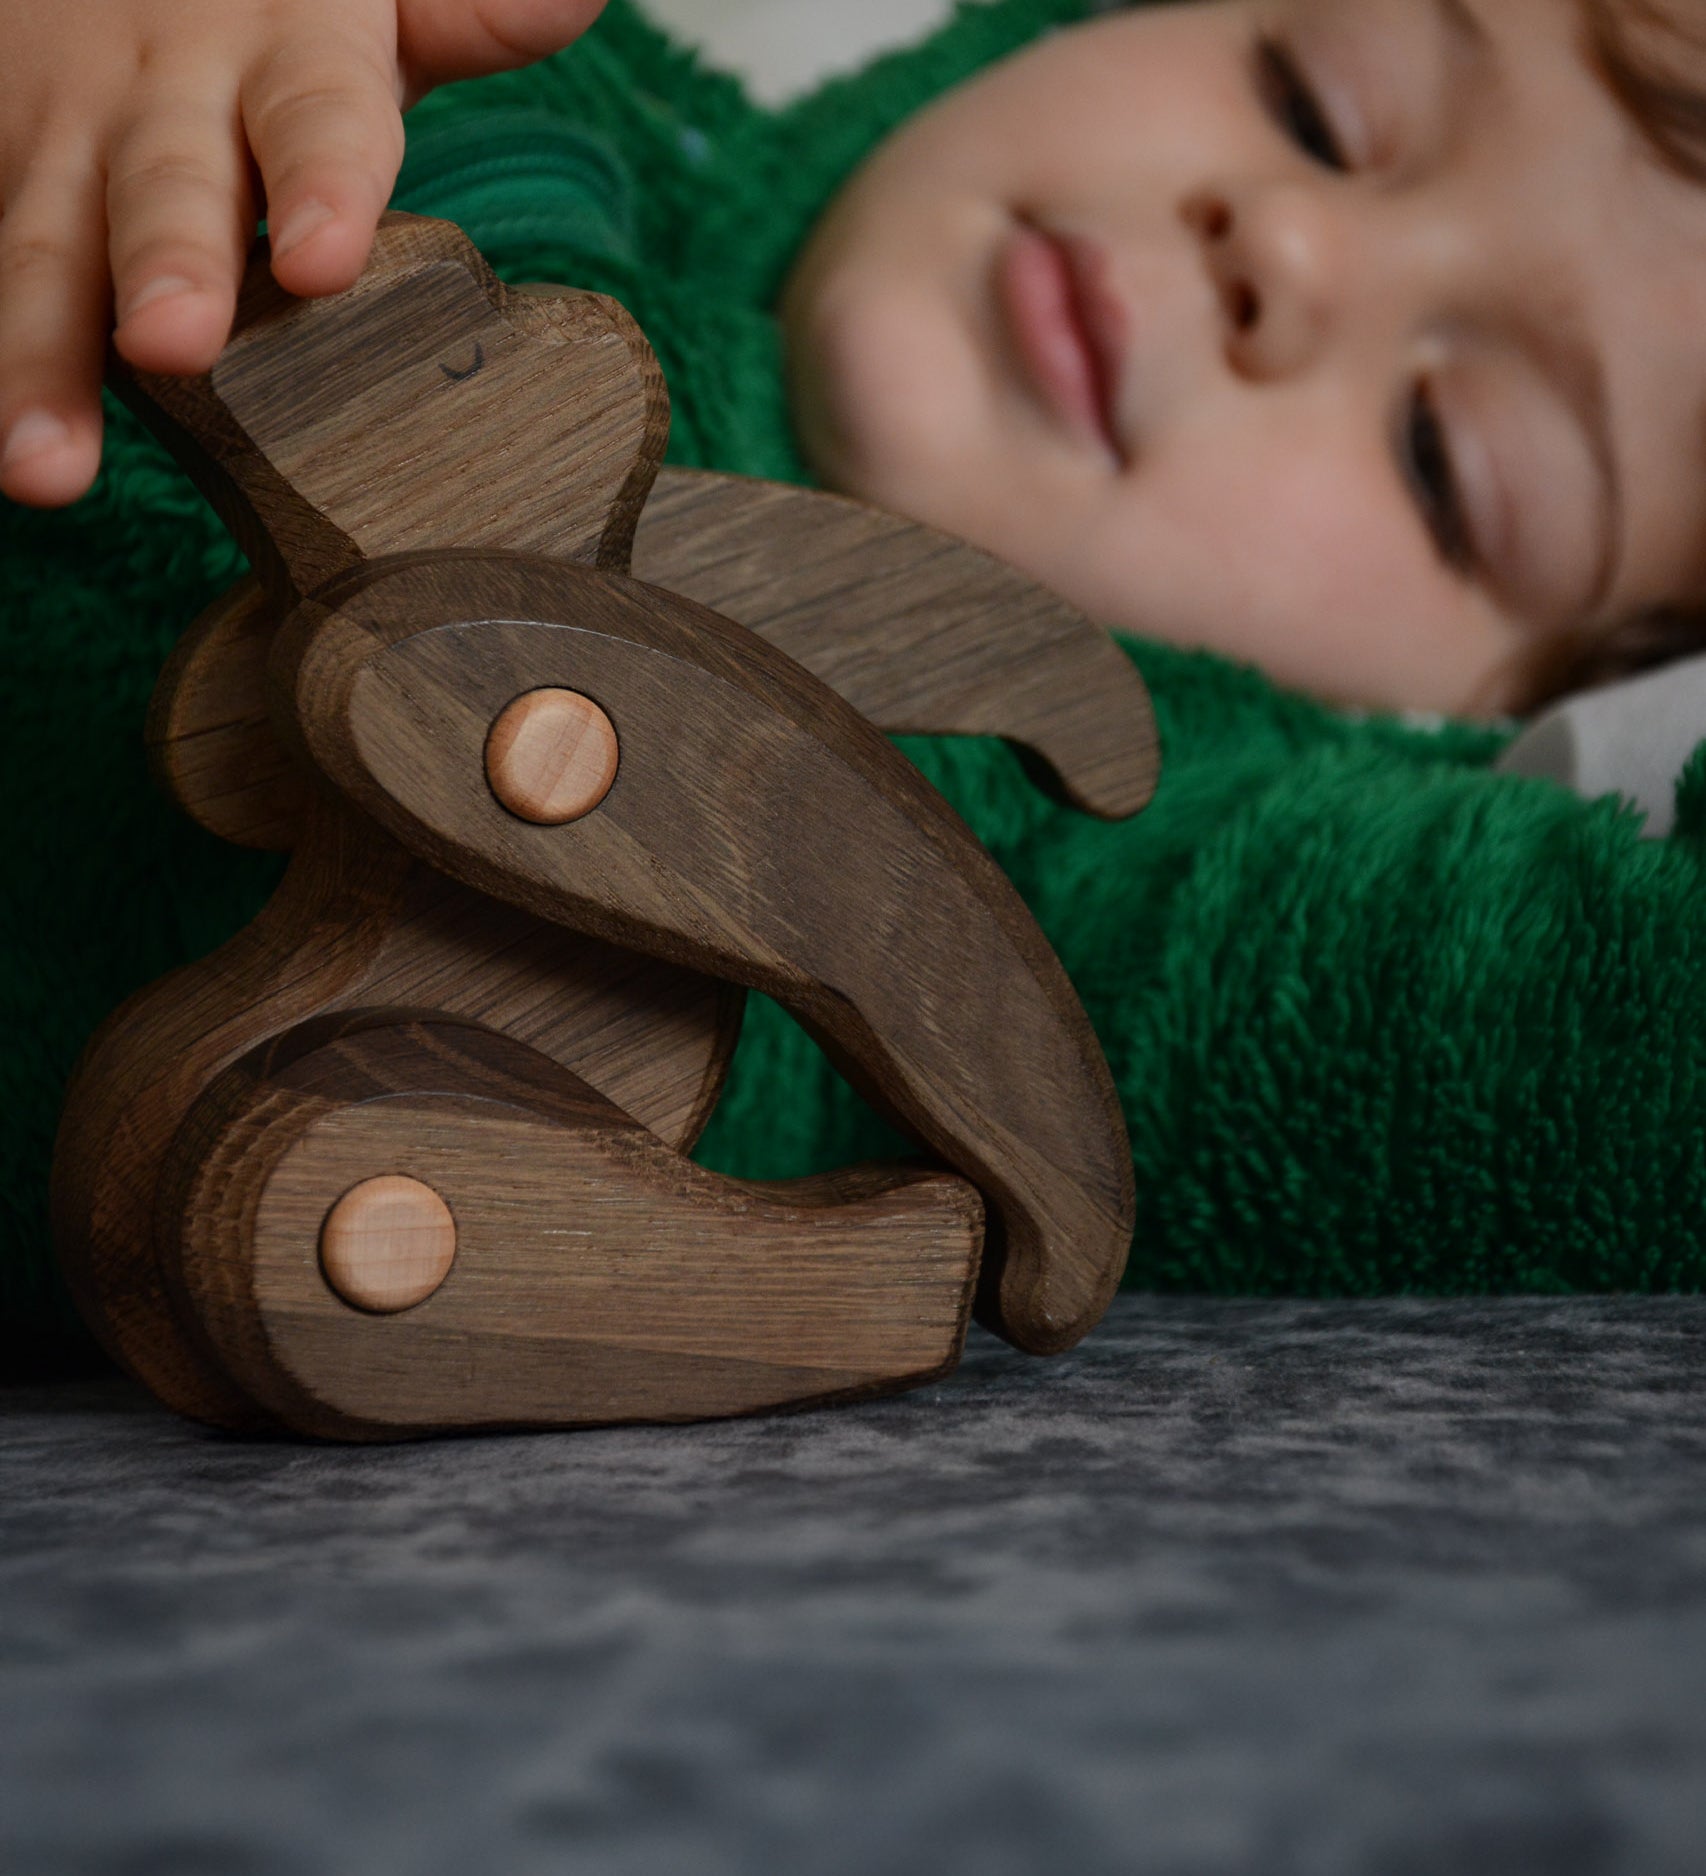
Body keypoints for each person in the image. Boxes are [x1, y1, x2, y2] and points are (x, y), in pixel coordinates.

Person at [5, 0, 1706, 1373]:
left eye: (1441, 453)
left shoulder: (1134, 910)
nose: (1287, 247)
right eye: (1318, 99)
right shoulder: (461, 80)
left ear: (1467, 711)